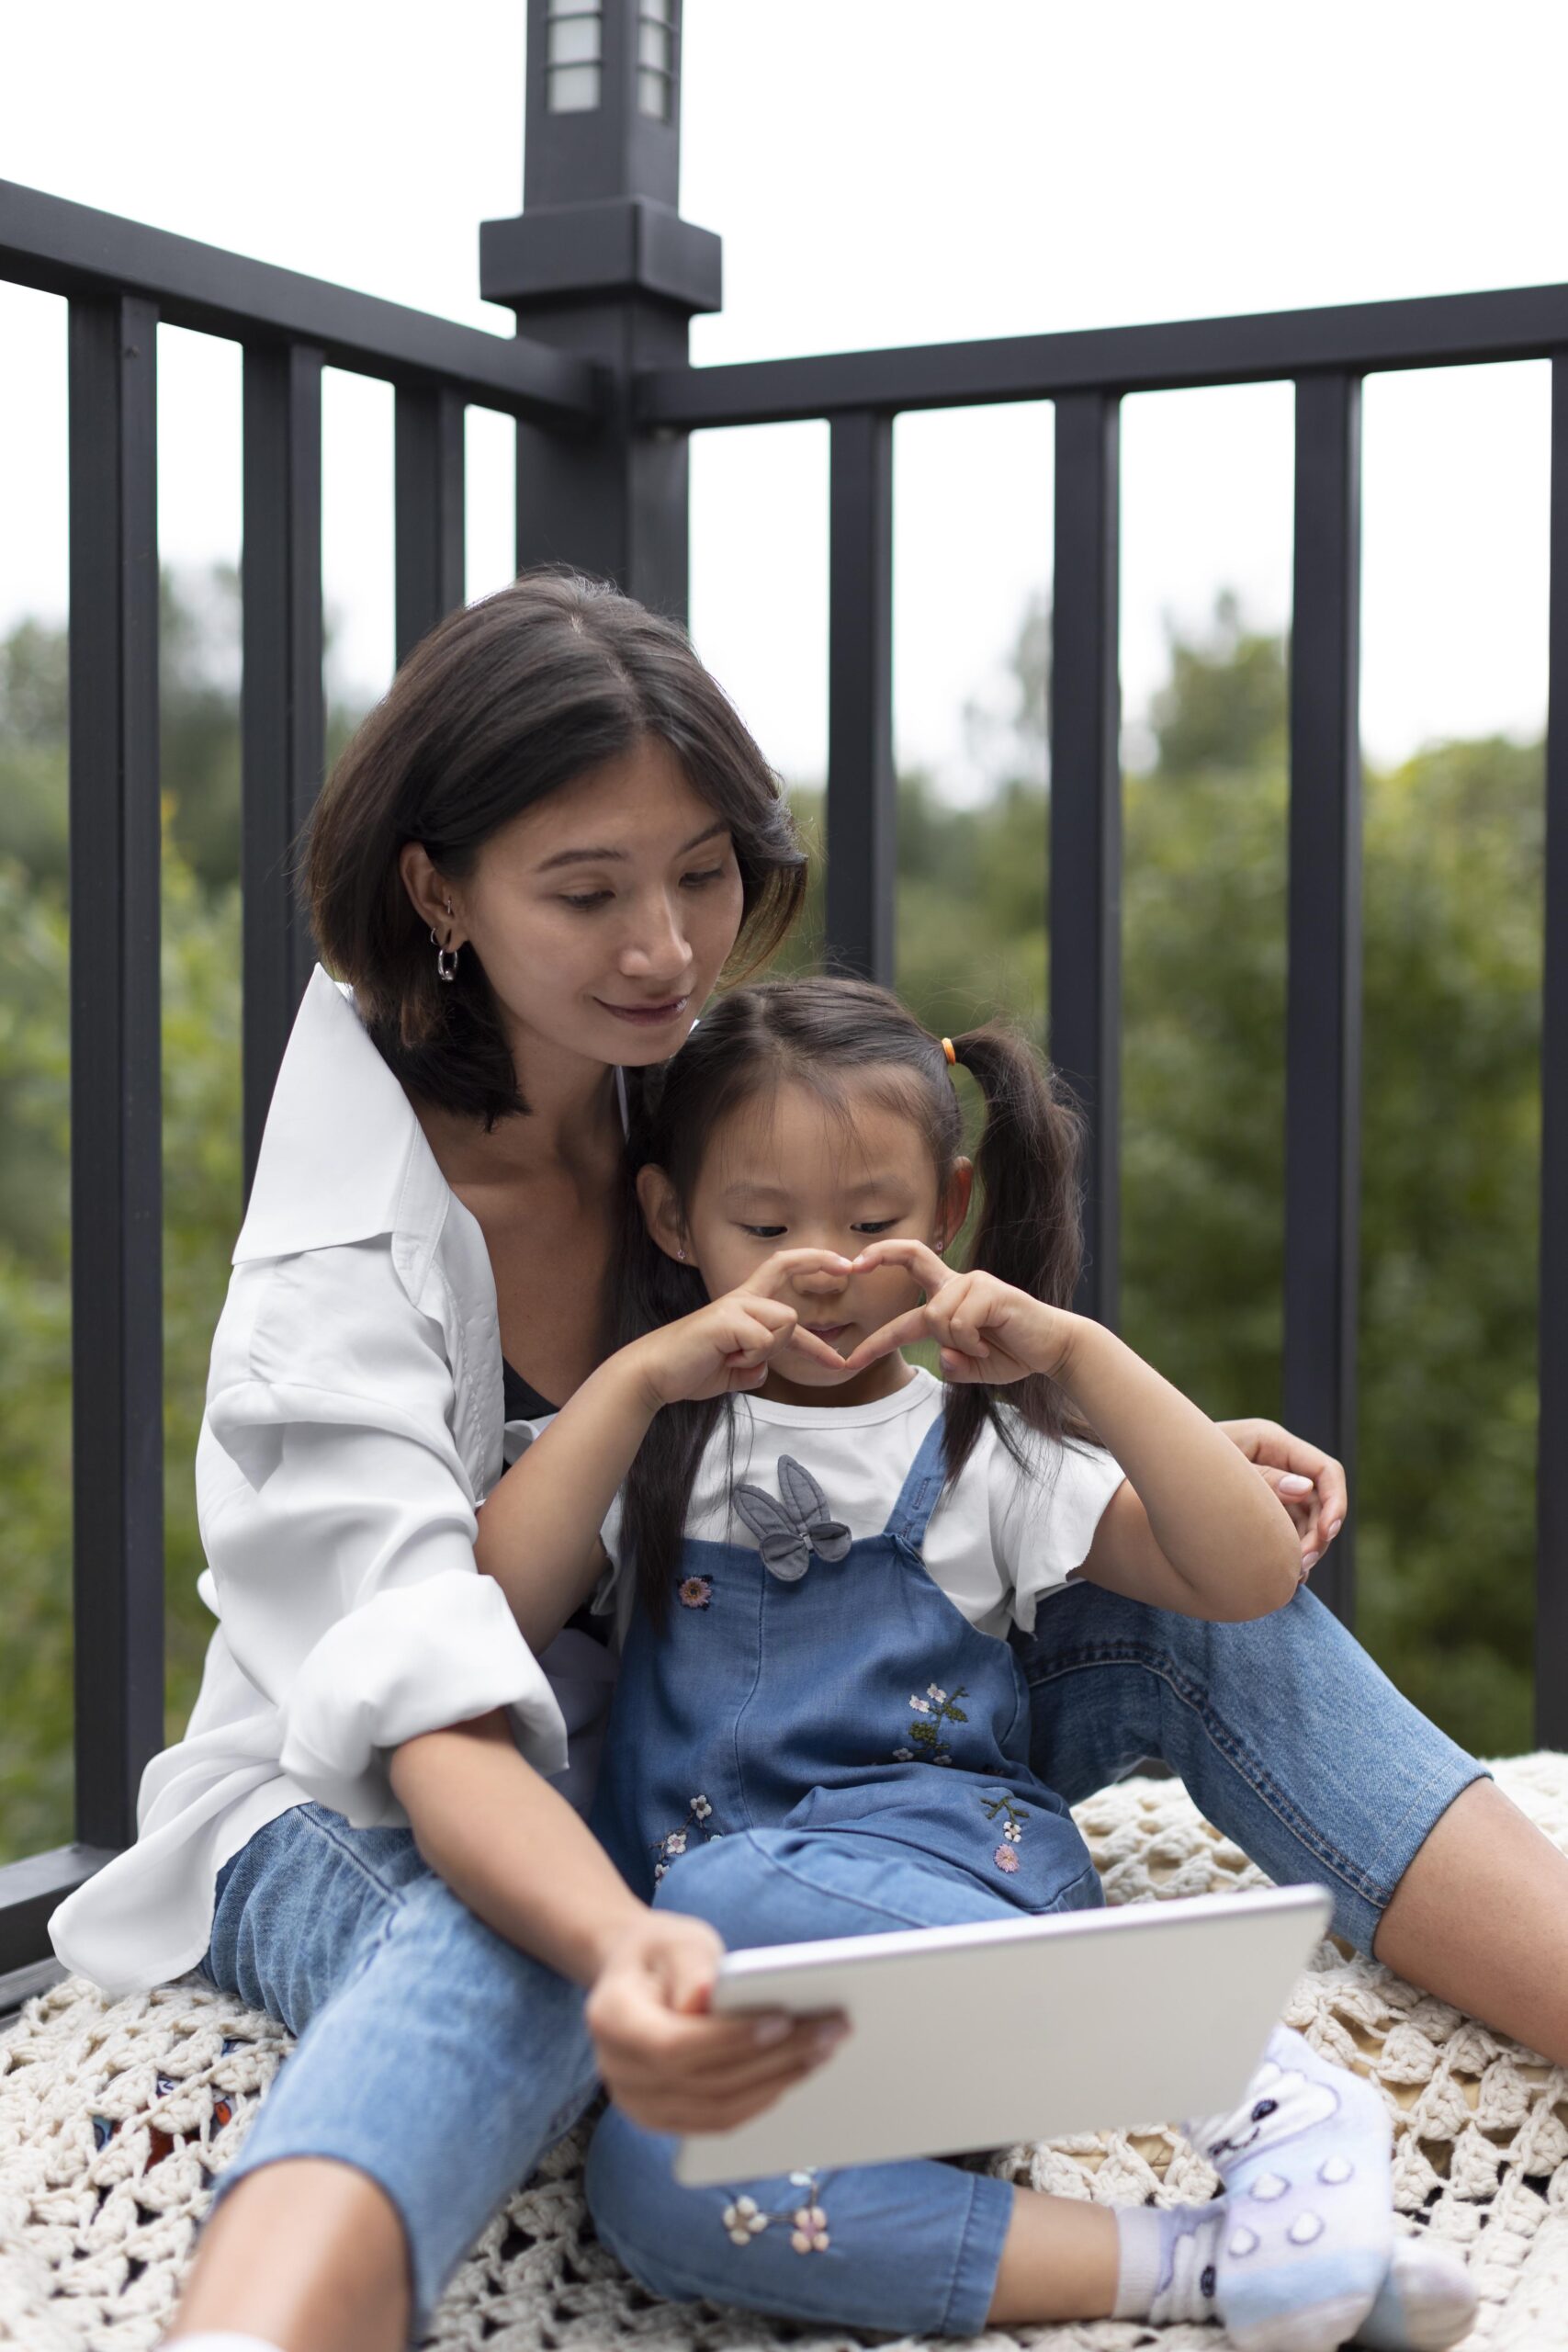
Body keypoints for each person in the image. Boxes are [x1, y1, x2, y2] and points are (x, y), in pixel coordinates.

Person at [41, 571, 1568, 2352]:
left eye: (700, 871)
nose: (666, 948)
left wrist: (1130, 1437)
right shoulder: (341, 1263)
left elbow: (879, 1406)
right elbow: (426, 1697)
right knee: (501, 1950)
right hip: (383, 1789)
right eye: (586, 889)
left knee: (1183, 1607)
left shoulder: (675, 1091)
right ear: (436, 888)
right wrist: (620, 1939)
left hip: (765, 1732)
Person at [471, 975, 1477, 2349]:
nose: (819, 1265)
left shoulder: (979, 1451)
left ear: (946, 1213)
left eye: (872, 1223)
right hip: (768, 1998)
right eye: (764, 1227)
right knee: (653, 2191)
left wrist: (1075, 1353)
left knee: (711, 1890)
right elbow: (492, 1602)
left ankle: (1243, 2076)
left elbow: (1245, 1578)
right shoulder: (650, 1437)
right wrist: (640, 1376)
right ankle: (1209, 2267)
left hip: (961, 1903)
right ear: (669, 1217)